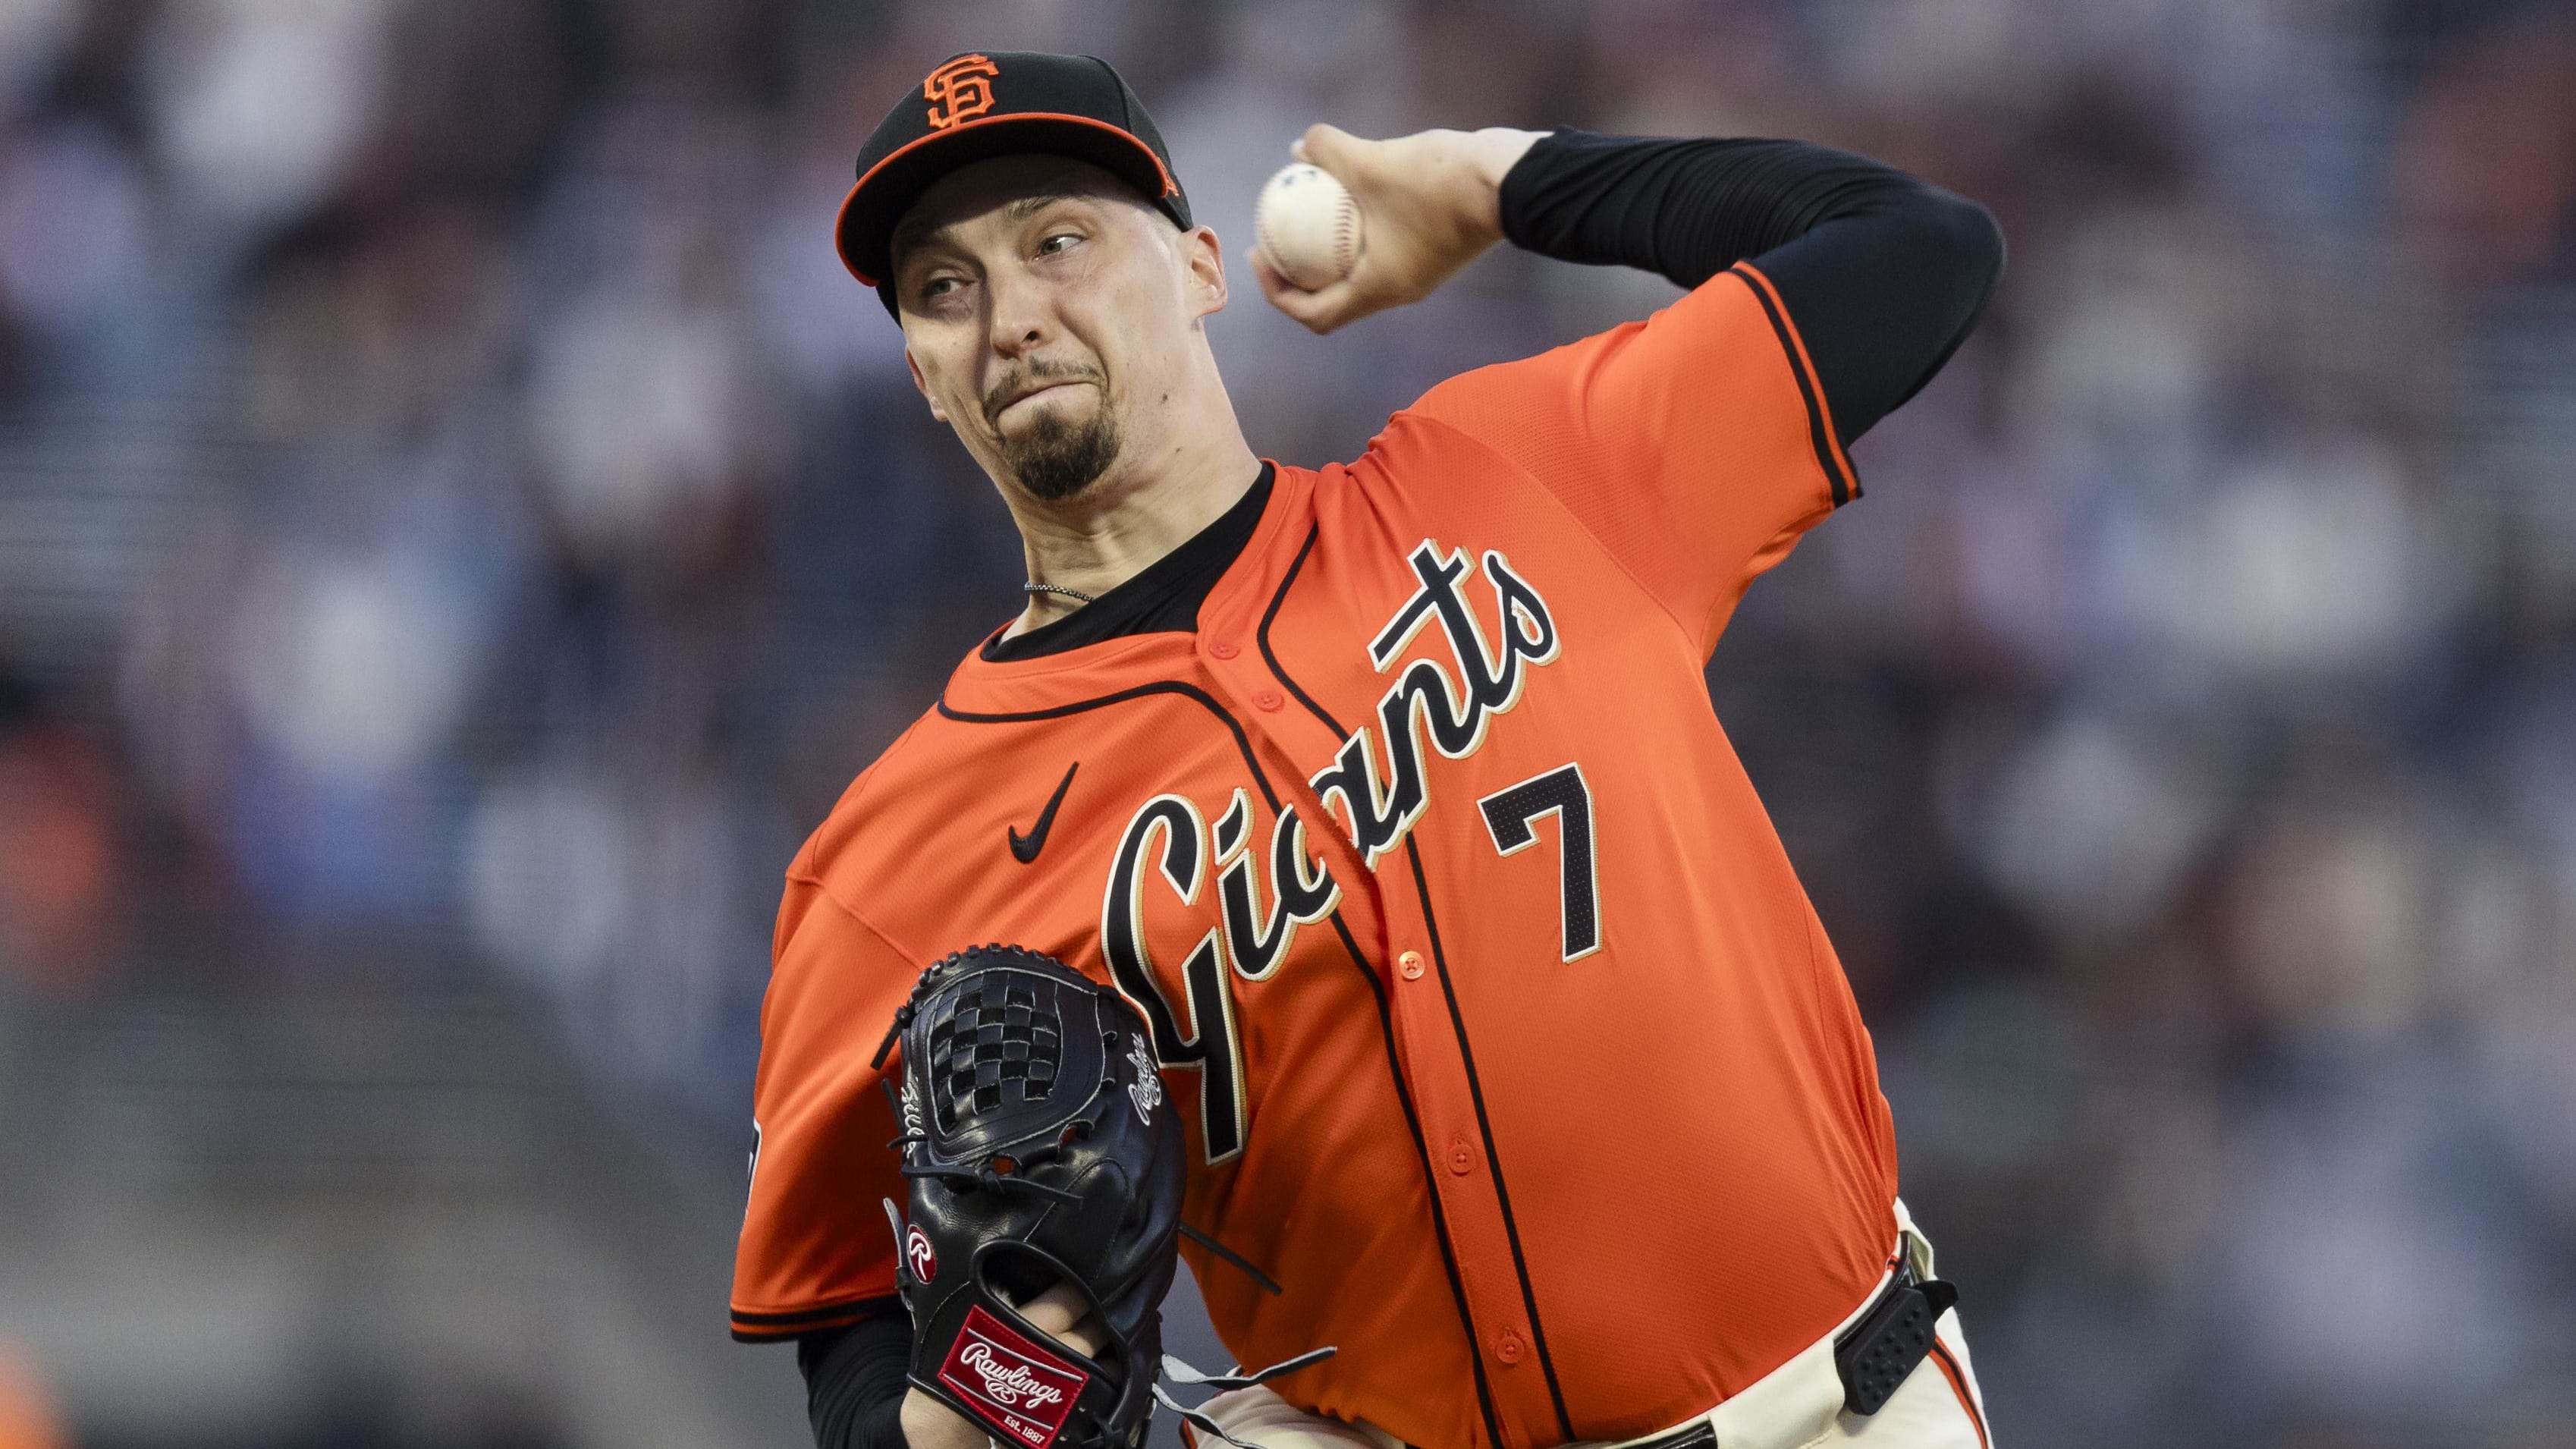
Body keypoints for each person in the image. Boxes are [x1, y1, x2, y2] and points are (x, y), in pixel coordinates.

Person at [732, 49, 2005, 1449]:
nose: (1012, 316)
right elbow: (839, 1316)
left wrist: (1497, 183)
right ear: (920, 370)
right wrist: (974, 1403)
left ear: (1205, 269)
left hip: (1838, 1405)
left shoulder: (1523, 475)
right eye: (945, 288)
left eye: (1060, 241)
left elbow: (1920, 250)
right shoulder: (886, 862)